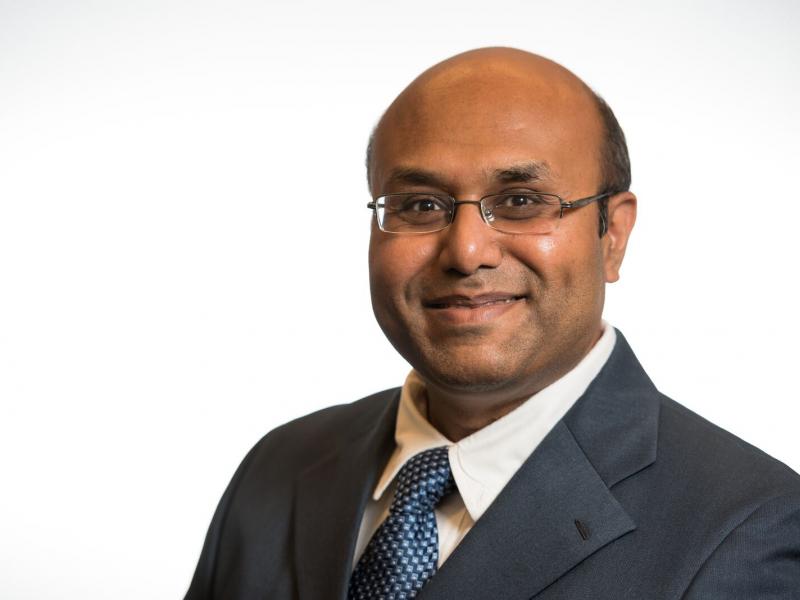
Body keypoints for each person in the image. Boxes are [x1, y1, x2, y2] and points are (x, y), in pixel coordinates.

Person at [185, 48, 800, 599]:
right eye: (421, 205)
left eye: (522, 202)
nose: (467, 252)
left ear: (612, 235)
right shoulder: (279, 467)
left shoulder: (749, 529)